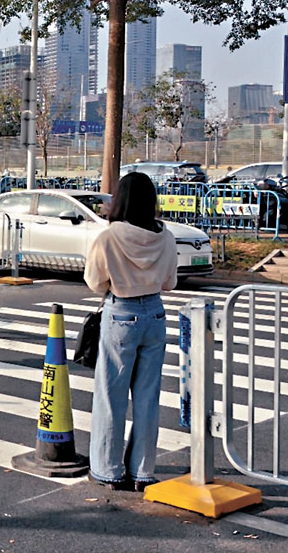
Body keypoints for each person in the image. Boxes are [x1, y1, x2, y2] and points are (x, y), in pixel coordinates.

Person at [84, 172, 177, 491]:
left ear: (119, 200)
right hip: (155, 312)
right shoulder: (165, 236)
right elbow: (170, 282)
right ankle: (142, 471)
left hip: (121, 311)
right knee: (148, 397)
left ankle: (108, 470)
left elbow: (94, 281)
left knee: (111, 395)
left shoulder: (109, 237)